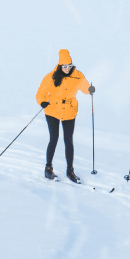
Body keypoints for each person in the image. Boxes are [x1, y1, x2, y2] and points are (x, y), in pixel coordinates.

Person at [36, 49, 94, 183]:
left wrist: (89, 89)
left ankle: (70, 170)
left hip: (69, 110)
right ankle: (48, 168)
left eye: (69, 66)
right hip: (52, 110)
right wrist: (42, 102)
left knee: (68, 140)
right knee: (54, 138)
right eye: (64, 67)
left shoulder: (78, 75)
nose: (67, 69)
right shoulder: (51, 76)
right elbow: (40, 93)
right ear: (60, 66)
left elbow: (84, 87)